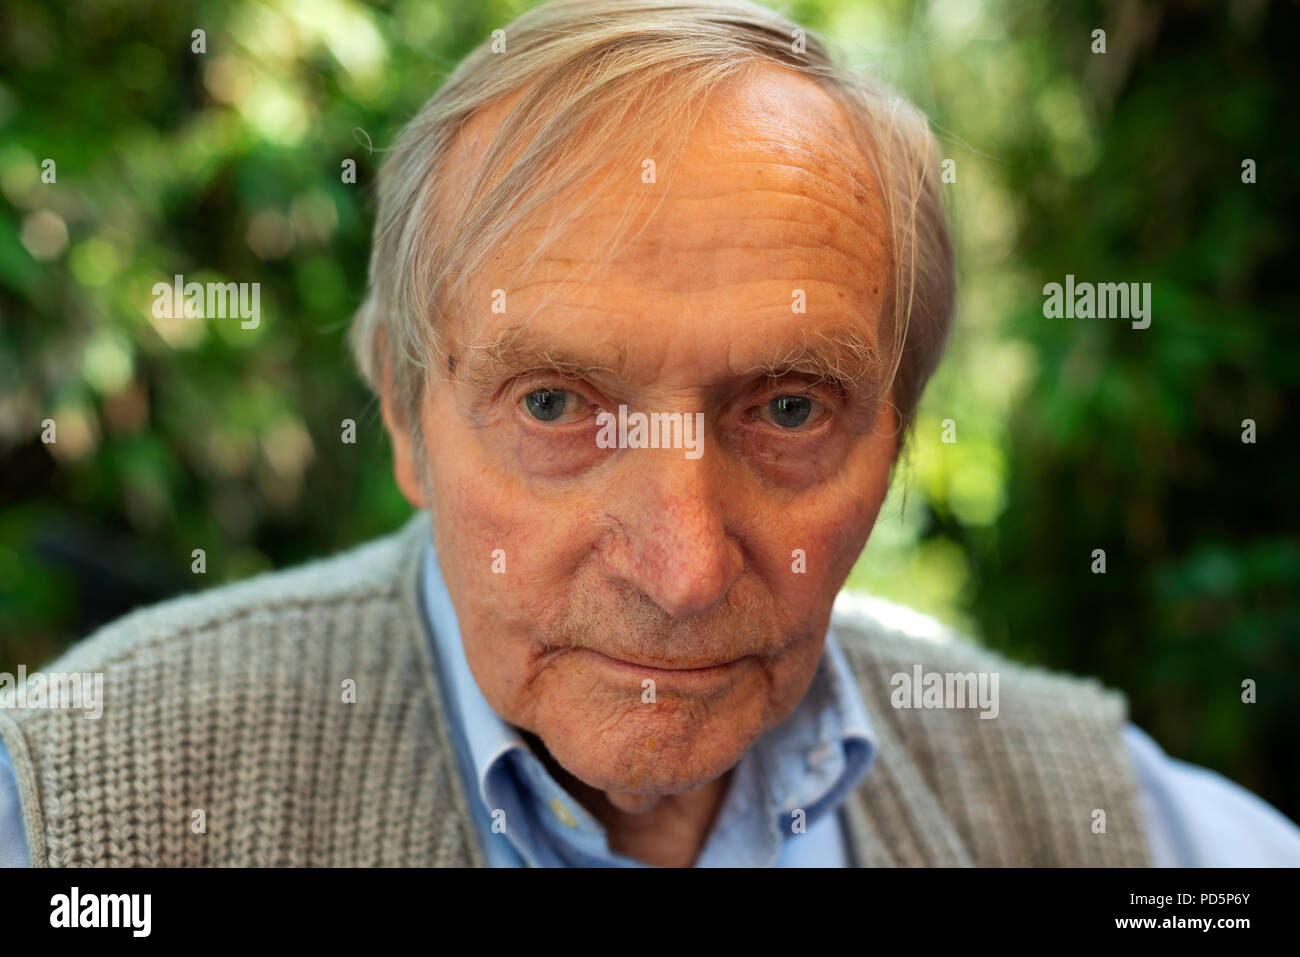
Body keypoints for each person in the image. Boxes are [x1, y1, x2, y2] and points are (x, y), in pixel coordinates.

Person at [2, 0, 1298, 867]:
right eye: (556, 404)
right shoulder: (78, 803)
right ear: (406, 413)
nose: (679, 566)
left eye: (789, 408)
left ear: (894, 439)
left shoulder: (1092, 815)